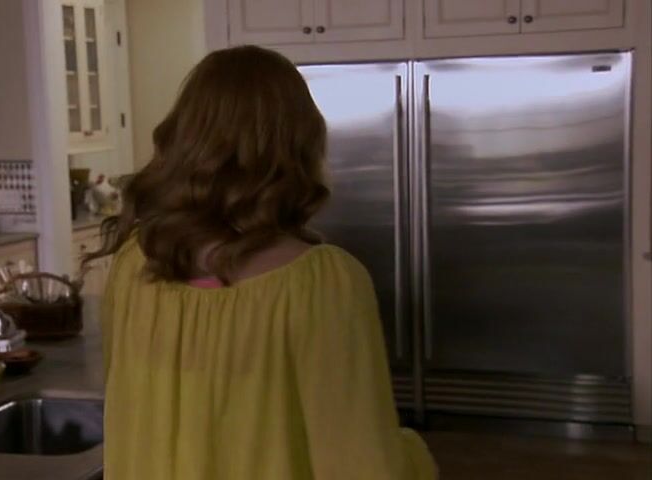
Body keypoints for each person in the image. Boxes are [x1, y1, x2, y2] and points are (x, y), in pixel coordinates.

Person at [87, 45, 437, 480]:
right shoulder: (323, 285)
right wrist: (415, 457)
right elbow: (361, 463)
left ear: (183, 138)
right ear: (301, 145)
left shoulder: (134, 264)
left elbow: (126, 415)